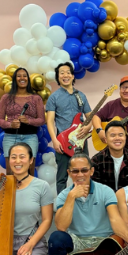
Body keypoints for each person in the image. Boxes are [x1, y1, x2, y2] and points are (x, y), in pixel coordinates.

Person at [46, 151, 112, 255]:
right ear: (69, 173)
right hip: (77, 240)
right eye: (75, 171)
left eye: (84, 170)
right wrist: (71, 196)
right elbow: (61, 226)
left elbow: (115, 219)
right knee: (56, 239)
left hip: (103, 240)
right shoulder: (64, 195)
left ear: (91, 171)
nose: (80, 174)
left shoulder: (105, 191)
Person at [45, 62, 91, 191]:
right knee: (62, 177)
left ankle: (84, 203)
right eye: (62, 73)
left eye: (68, 72)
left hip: (81, 140)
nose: (65, 75)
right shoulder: (53, 97)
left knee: (84, 174)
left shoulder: (81, 96)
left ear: (72, 76)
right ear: (58, 77)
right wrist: (54, 140)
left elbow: (90, 116)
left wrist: (88, 127)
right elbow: (50, 121)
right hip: (63, 141)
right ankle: (62, 207)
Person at [0, 68, 45, 159]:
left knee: (29, 167)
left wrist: (28, 121)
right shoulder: (6, 98)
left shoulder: (36, 98)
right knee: (11, 169)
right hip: (10, 137)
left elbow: (42, 120)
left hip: (30, 137)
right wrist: (10, 124)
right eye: (19, 76)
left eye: (25, 76)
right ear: (14, 79)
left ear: (28, 79)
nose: (22, 78)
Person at [94, 76, 128, 158]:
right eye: (124, 87)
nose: (126, 90)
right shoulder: (111, 105)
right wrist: (99, 130)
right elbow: (96, 116)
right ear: (120, 89)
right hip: (110, 151)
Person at [88, 117, 128, 195]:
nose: (117, 138)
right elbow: (95, 190)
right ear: (105, 139)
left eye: (120, 135)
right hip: (104, 203)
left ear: (125, 138)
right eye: (113, 135)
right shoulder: (96, 160)